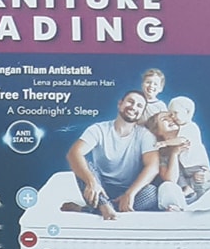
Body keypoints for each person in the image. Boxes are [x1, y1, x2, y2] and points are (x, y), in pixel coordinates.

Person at [63, 90, 164, 219]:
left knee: (152, 192)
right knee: (84, 165)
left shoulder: (145, 135)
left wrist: (130, 193)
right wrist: (92, 183)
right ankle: (104, 204)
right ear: (120, 104)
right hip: (101, 187)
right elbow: (74, 153)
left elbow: (153, 167)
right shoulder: (99, 129)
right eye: (130, 101)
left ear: (141, 112)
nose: (133, 107)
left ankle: (95, 208)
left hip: (131, 188)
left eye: (139, 106)